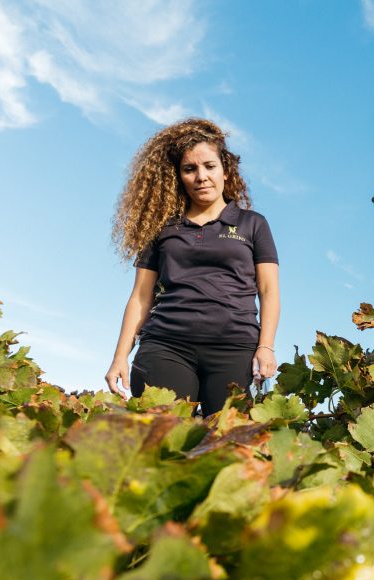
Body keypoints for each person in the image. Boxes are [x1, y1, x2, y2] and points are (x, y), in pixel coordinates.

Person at [106, 118, 280, 417]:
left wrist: (266, 347)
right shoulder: (162, 228)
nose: (201, 176)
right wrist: (120, 356)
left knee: (228, 439)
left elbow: (269, 291)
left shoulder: (253, 224)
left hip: (234, 348)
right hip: (166, 346)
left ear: (225, 170)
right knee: (165, 435)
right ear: (179, 176)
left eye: (210, 166)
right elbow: (140, 297)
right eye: (190, 169)